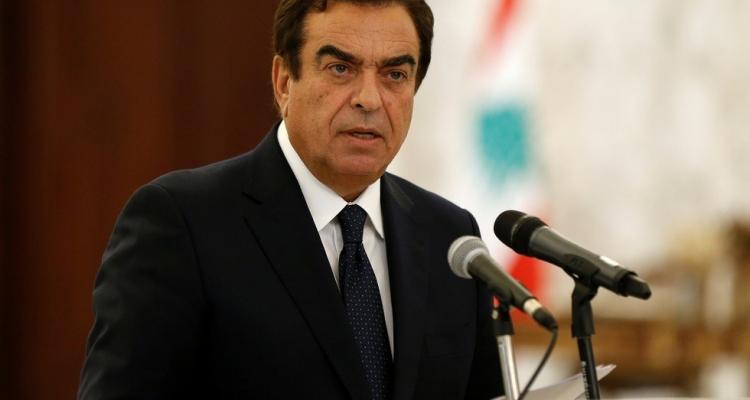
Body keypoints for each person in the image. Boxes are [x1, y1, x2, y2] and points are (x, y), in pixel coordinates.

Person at [78, 0, 502, 399]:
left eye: (394, 75)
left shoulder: (451, 237)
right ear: (284, 81)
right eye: (340, 68)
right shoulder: (181, 222)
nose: (370, 99)